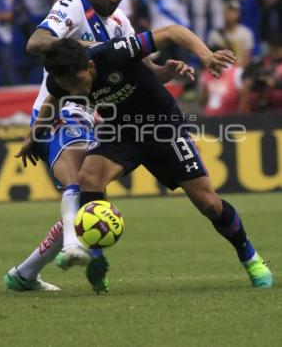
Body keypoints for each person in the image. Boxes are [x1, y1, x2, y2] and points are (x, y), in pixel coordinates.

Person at [4, 0, 185, 294]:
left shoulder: (121, 24)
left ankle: (25, 274)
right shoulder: (73, 6)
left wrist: (168, 72)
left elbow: (144, 71)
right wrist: (89, 48)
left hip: (91, 118)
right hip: (57, 110)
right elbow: (36, 42)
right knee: (77, 181)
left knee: (87, 198)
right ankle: (74, 246)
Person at [40, 26, 273, 290]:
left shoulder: (114, 53)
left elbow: (173, 32)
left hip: (163, 127)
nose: (75, 91)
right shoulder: (62, 80)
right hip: (121, 131)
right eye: (67, 85)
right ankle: (96, 258)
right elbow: (53, 99)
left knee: (209, 203)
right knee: (88, 178)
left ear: (91, 65)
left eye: (77, 82)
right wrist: (33, 136)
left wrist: (205, 55)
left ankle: (250, 257)